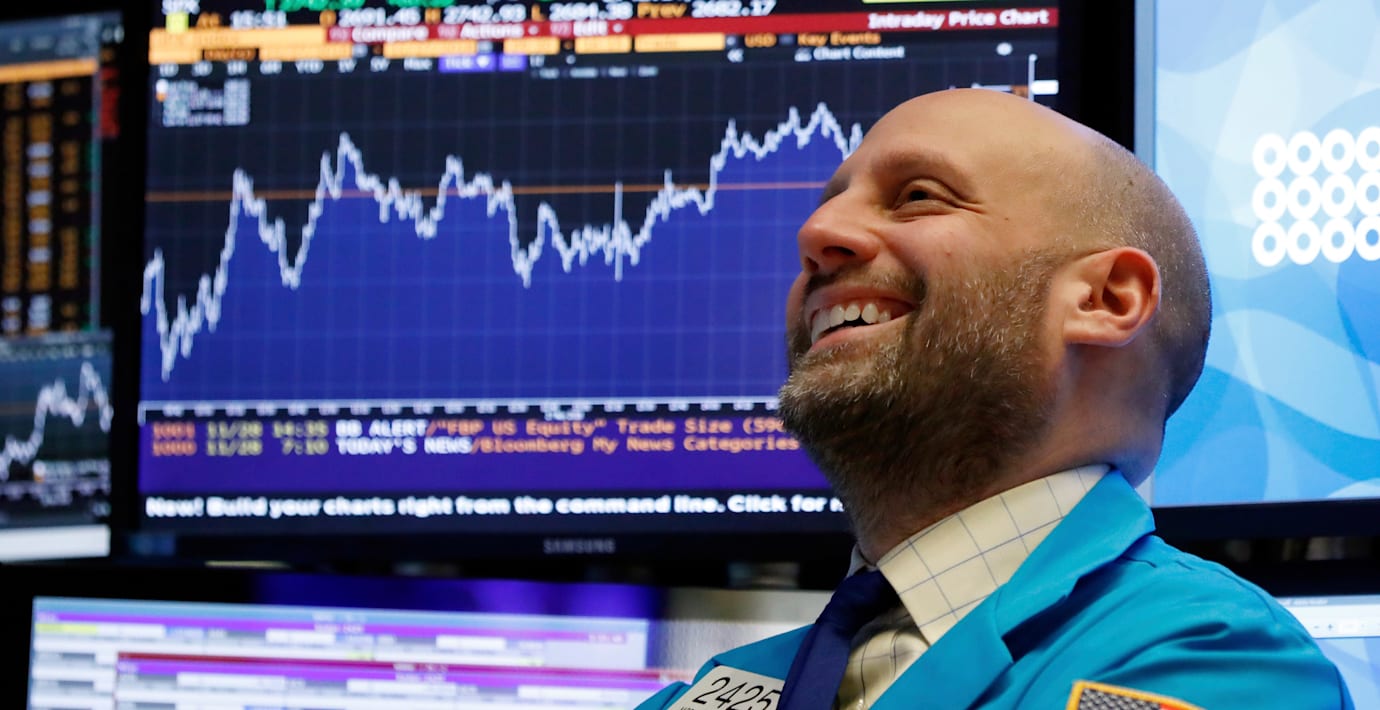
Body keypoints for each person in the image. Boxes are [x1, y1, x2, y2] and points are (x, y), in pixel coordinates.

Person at [638, 89, 1352, 709]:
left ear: (1106, 299)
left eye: (918, 196)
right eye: (828, 204)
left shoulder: (1213, 661)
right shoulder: (724, 686)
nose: (816, 234)